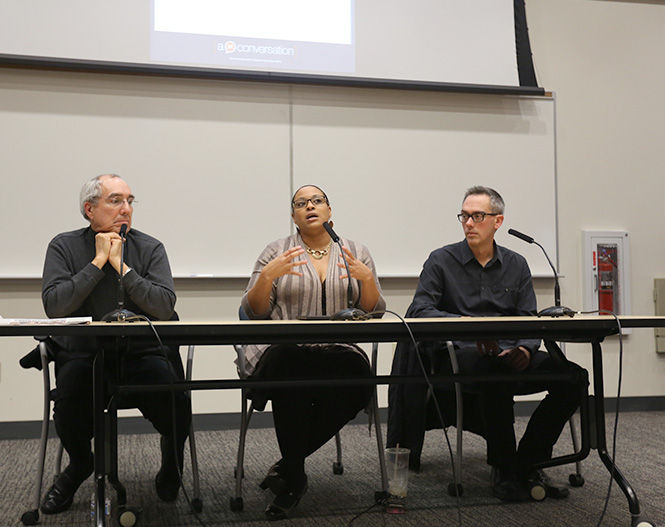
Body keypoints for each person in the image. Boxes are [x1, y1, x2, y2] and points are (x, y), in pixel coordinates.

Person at [387, 185, 584, 502]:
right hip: (461, 355)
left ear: (498, 221)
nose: (468, 223)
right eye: (464, 215)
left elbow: (528, 317)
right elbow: (420, 310)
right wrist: (465, 328)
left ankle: (531, 459)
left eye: (477, 216)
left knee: (575, 377)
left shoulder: (517, 264)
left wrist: (525, 348)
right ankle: (504, 469)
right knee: (496, 370)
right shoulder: (441, 260)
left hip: (512, 351)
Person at [39, 174, 192, 514]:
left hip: (142, 353)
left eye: (130, 201)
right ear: (89, 209)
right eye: (116, 200)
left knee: (176, 401)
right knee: (69, 404)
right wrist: (97, 264)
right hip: (86, 354)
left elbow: (164, 306)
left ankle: (172, 462)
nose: (126, 208)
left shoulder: (150, 247)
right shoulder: (63, 246)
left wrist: (121, 267)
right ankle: (80, 464)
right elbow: (55, 305)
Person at [241, 184, 386, 520]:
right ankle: (293, 477)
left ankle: (290, 467)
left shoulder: (354, 251)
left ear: (330, 211)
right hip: (286, 350)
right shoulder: (276, 251)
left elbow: (373, 312)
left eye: (317, 201)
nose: (310, 206)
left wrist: (367, 281)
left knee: (359, 379)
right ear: (293, 215)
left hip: (338, 350)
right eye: (301, 203)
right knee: (290, 372)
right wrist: (267, 277)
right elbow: (255, 312)